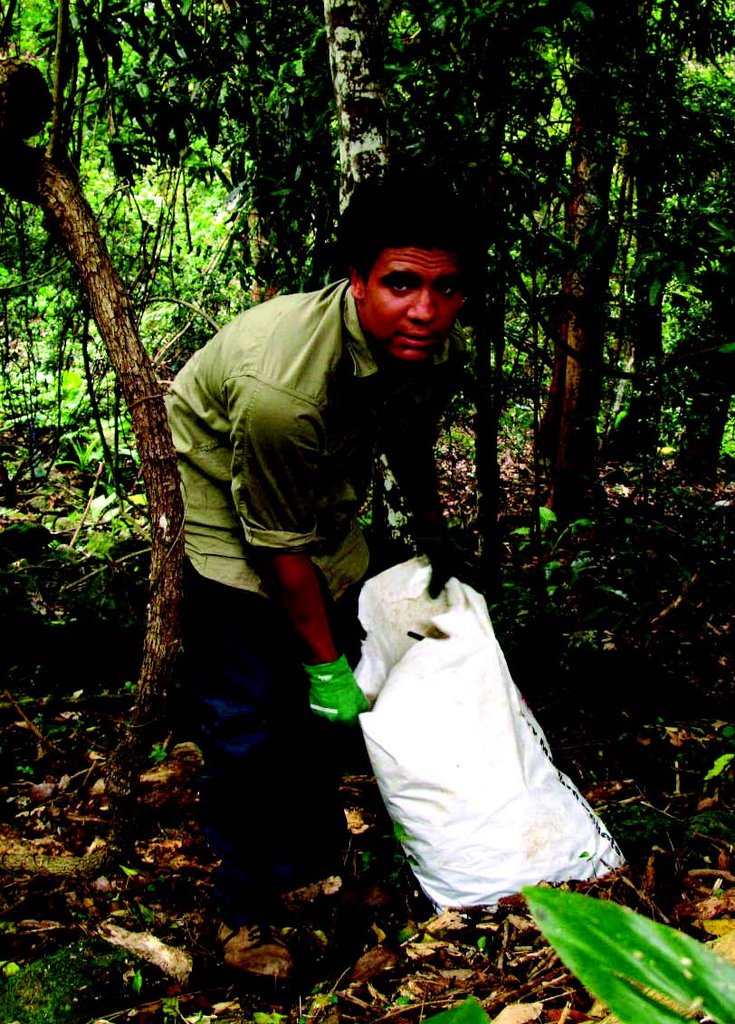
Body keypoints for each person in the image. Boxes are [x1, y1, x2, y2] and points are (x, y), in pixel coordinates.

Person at [166, 170, 473, 982]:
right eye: (401, 284)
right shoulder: (281, 388)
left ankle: (314, 866)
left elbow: (405, 434)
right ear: (358, 281)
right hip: (227, 508)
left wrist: (434, 531)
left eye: (445, 289)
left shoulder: (425, 341)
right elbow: (272, 542)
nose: (425, 309)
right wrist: (324, 660)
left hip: (322, 501)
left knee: (316, 719)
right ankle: (247, 909)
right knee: (247, 716)